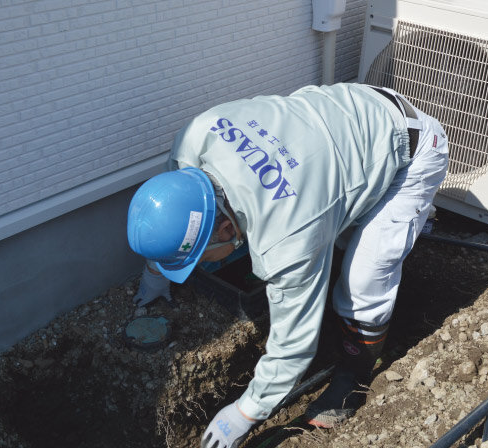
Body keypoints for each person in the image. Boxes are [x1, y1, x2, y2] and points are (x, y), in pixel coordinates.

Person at [126, 82, 448, 448]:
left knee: (362, 282)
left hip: (410, 146)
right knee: (336, 232)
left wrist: (245, 412)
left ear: (227, 229)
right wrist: (156, 271)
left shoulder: (289, 239)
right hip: (348, 110)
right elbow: (171, 212)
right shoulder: (197, 137)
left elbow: (292, 348)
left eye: (199, 257)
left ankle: (354, 376)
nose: (199, 266)